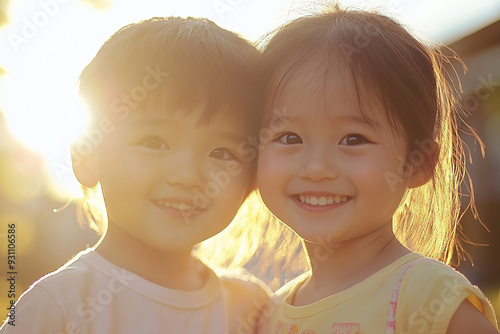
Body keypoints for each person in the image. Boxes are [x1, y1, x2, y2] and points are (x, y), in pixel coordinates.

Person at [0, 16, 270, 333]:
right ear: (87, 155)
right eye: (154, 142)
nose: (187, 175)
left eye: (223, 153)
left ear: (250, 183)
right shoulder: (55, 307)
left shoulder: (251, 306)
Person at [257, 4, 499, 333]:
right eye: (289, 137)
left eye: (353, 138)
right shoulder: (267, 315)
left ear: (419, 163)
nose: (316, 168)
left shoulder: (428, 300)